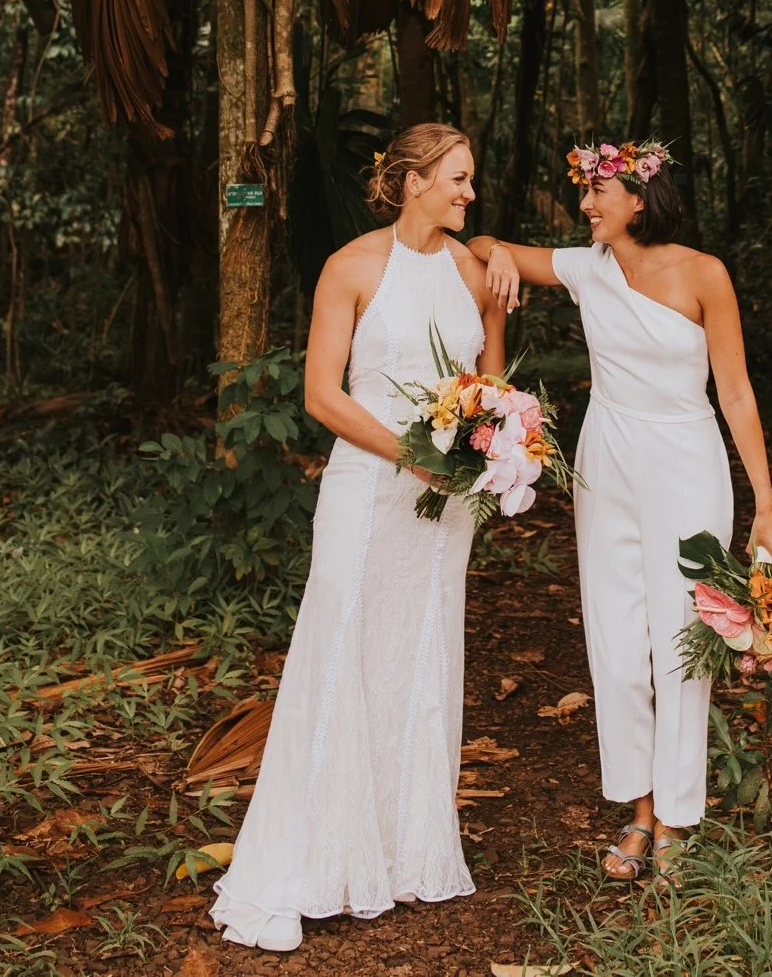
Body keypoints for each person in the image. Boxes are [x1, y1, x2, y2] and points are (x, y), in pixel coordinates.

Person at [212, 124, 505, 952]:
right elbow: (320, 394)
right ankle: (319, 857)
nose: (468, 193)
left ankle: (406, 851)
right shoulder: (350, 268)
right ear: (411, 180)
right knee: (342, 644)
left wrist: (483, 452)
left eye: (471, 179)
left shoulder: (474, 270)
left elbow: (489, 384)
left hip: (444, 501)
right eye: (456, 178)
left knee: (421, 649)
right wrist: (414, 455)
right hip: (371, 485)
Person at [470, 139, 772, 882]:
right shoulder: (588, 269)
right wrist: (498, 257)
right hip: (607, 461)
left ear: (639, 200)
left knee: (680, 636)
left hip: (685, 459)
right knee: (615, 642)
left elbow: (735, 392)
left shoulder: (705, 274)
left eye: (595, 194)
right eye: (584, 193)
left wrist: (766, 505)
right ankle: (639, 811)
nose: (584, 206)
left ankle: (678, 817)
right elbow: (484, 241)